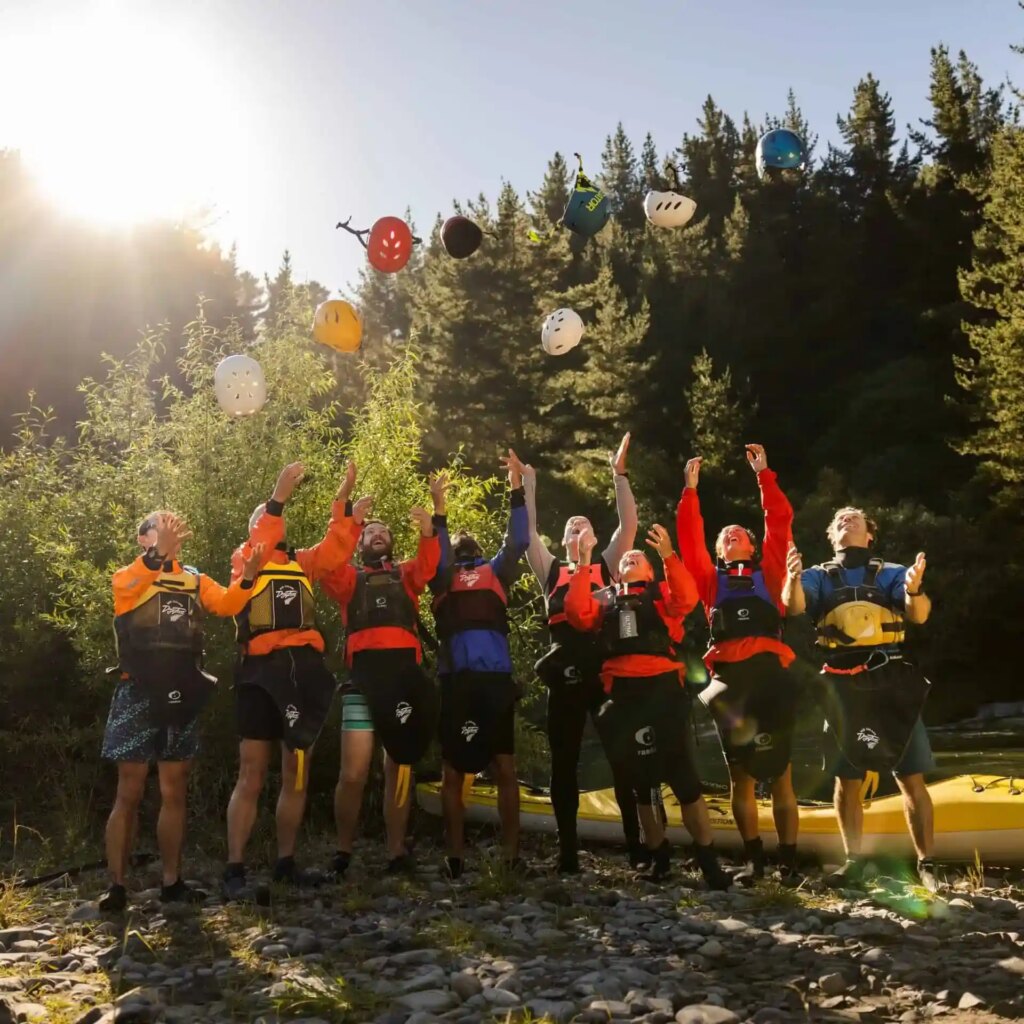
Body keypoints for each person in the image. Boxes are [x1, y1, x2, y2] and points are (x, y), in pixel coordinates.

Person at [101, 512, 264, 912]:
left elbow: (226, 604)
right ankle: (117, 887)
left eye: (172, 526)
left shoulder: (194, 578)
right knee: (130, 790)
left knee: (174, 790)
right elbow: (128, 585)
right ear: (144, 540)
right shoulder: (131, 575)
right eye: (159, 525)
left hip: (180, 690)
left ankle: (172, 882)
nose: (170, 529)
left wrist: (248, 577)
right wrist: (157, 555)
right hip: (137, 689)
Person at [565, 522, 732, 890]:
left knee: (686, 783)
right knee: (642, 786)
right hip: (623, 697)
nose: (629, 557)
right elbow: (576, 613)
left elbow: (687, 598)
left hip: (663, 695)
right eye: (625, 558)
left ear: (650, 571)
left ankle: (707, 860)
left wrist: (669, 555)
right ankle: (659, 859)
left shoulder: (662, 596)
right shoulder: (604, 600)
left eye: (637, 557)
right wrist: (583, 562)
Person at [223, 462, 359, 900]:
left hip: (301, 671)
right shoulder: (246, 559)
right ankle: (234, 867)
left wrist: (345, 499)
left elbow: (337, 548)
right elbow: (260, 537)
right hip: (261, 674)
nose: (270, 524)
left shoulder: (302, 562)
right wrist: (277, 497)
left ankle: (285, 862)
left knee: (295, 774)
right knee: (252, 773)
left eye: (273, 516)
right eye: (264, 518)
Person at [782, 507, 936, 890]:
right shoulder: (817, 576)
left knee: (910, 776)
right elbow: (795, 606)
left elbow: (918, 615)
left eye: (855, 518)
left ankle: (928, 864)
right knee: (846, 778)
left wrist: (914, 589)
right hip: (842, 686)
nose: (846, 520)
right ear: (832, 537)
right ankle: (854, 861)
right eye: (839, 520)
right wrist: (791, 579)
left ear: (870, 535)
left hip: (891, 682)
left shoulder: (893, 573)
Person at [676, 444, 802, 885]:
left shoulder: (769, 572)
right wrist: (690, 492)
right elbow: (690, 543)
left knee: (781, 773)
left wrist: (764, 475)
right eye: (724, 535)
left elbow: (779, 522)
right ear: (719, 549)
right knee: (742, 776)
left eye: (737, 532)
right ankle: (755, 861)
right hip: (729, 683)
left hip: (771, 680)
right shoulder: (710, 581)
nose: (730, 535)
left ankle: (788, 861)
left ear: (751, 544)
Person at [523, 432, 644, 874]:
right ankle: (568, 850)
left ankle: (636, 846)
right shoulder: (550, 568)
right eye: (571, 526)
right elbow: (528, 531)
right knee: (565, 760)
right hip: (564, 675)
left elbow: (628, 525)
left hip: (605, 671)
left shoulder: (607, 566)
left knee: (620, 756)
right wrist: (528, 482)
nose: (578, 528)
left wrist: (619, 475)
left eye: (584, 525)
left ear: (595, 537)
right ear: (563, 538)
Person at [320, 471, 443, 876]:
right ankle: (342, 851)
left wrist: (432, 525)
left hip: (404, 676)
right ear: (359, 541)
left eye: (382, 530)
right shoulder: (348, 577)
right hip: (363, 678)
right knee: (353, 772)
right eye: (369, 529)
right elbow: (327, 561)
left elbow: (430, 564)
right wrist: (347, 514)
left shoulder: (407, 574)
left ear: (391, 542)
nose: (376, 533)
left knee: (400, 763)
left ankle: (395, 851)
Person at [430, 450, 529, 879]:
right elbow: (435, 554)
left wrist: (516, 488)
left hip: (493, 683)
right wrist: (439, 511)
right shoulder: (442, 576)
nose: (464, 545)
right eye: (458, 543)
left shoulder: (496, 572)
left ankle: (510, 854)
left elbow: (519, 540)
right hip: (457, 682)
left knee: (504, 766)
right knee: (453, 769)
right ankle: (455, 856)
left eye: (468, 543)